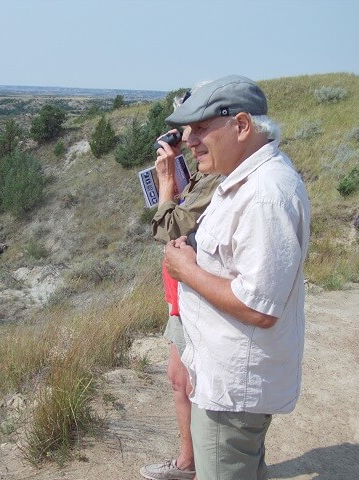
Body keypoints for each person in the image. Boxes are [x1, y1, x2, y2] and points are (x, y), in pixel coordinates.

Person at [162, 75, 311, 480]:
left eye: (202, 128)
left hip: (232, 389)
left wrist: (187, 270)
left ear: (241, 126)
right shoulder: (245, 181)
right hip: (226, 376)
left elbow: (258, 306)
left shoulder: (265, 195)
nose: (190, 141)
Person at [140, 84, 222, 480]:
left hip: (197, 292)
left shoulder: (220, 178)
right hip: (181, 291)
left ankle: (201, 464)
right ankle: (189, 462)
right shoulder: (206, 174)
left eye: (195, 129)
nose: (188, 140)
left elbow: (167, 225)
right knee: (178, 379)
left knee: (193, 384)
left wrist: (166, 179)